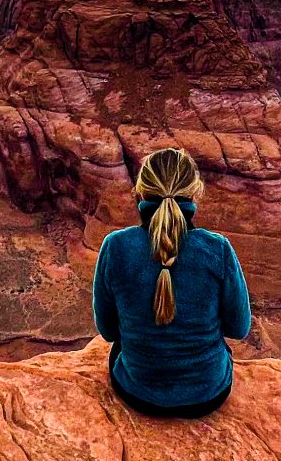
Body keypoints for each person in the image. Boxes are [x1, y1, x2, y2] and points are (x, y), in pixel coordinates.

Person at [92, 146, 252, 418]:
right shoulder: (218, 249)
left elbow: (108, 333)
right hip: (208, 394)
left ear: (141, 191)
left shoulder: (116, 246)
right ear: (193, 193)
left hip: (138, 392)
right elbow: (239, 328)